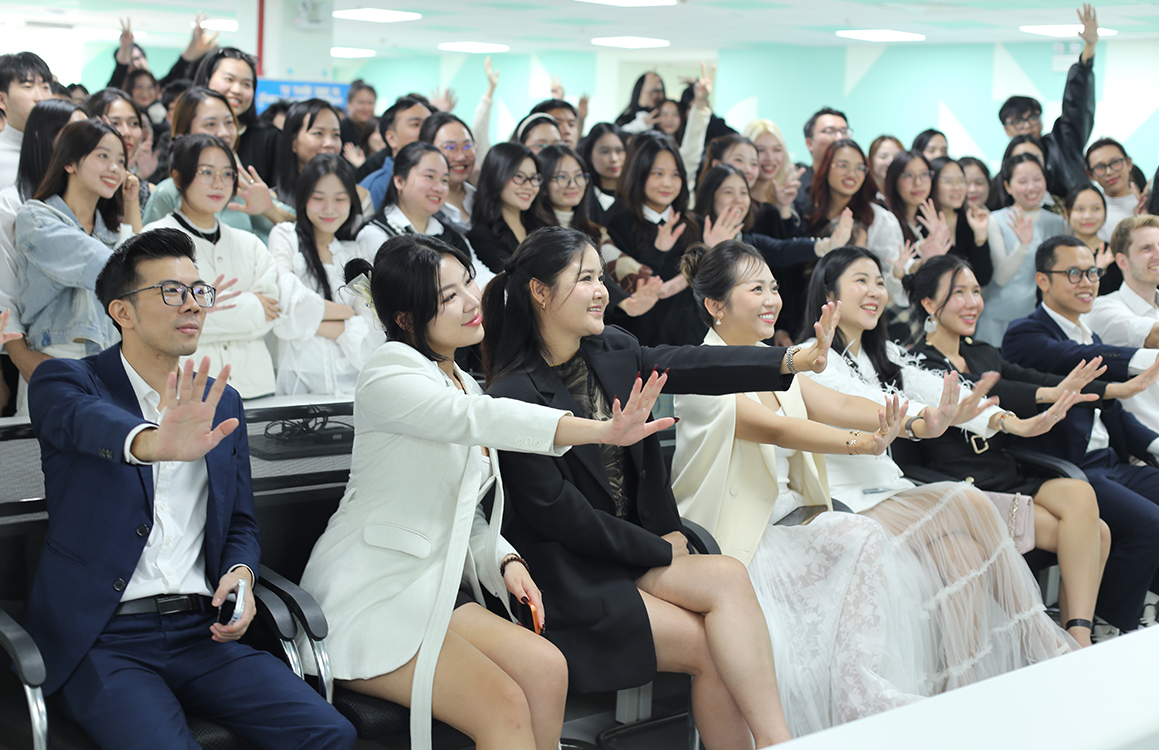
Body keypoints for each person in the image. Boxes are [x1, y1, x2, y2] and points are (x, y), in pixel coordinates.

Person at [299, 232, 674, 750]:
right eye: (448, 296)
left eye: (467, 283)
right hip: (374, 594)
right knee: (503, 708)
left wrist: (504, 559)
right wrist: (601, 430)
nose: (471, 301)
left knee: (546, 668)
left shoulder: (463, 379)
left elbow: (463, 509)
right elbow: (480, 418)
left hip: (437, 587)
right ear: (405, 318)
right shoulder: (388, 373)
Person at [484, 226, 843, 747]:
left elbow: (693, 363)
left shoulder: (613, 347)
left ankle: (777, 742)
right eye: (585, 279)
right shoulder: (512, 393)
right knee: (714, 648)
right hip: (573, 575)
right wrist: (657, 548)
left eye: (600, 277)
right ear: (539, 291)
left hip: (635, 554)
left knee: (727, 579)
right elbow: (560, 515)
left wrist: (790, 359)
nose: (602, 290)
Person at [24, 227, 356, 749]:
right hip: (104, 638)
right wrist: (150, 442)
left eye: (199, 291)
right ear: (122, 312)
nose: (193, 304)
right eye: (171, 292)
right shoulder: (68, 382)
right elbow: (81, 421)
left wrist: (242, 573)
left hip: (202, 633)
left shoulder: (222, 403)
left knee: (330, 733)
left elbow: (240, 521)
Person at [672, 239, 939, 733]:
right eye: (756, 289)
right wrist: (863, 444)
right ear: (716, 305)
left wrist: (918, 421)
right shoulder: (697, 368)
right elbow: (776, 429)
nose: (772, 299)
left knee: (862, 536)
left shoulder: (775, 359)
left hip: (791, 520)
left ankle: (857, 688)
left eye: (774, 287)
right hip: (735, 536)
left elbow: (837, 405)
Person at [798, 246, 1078, 684]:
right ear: (828, 293)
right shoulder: (809, 357)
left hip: (889, 491)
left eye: (879, 282)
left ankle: (963, 684)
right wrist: (925, 419)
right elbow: (863, 403)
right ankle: (1040, 637)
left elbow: (940, 391)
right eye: (861, 281)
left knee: (963, 553)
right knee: (968, 500)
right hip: (845, 501)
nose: (874, 291)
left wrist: (1008, 422)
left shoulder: (882, 355)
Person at [904, 254, 1120, 646]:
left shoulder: (982, 350)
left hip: (1006, 472)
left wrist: (1100, 387)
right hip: (964, 485)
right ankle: (1071, 640)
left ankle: (1076, 633)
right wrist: (1043, 396)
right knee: (1098, 534)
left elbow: (1027, 379)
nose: (972, 302)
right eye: (959, 293)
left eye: (976, 292)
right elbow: (990, 388)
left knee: (1080, 494)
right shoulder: (914, 362)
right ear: (929, 304)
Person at [1001, 235, 1159, 631]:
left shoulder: (1089, 333)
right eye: (1073, 273)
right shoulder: (1025, 334)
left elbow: (1114, 414)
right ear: (1043, 280)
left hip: (1111, 463)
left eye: (1091, 273)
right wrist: (1147, 358)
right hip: (1068, 470)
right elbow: (1079, 359)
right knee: (1149, 523)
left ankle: (1144, 603)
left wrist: (1156, 444)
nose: (1086, 282)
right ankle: (1109, 623)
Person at [142, 134, 278, 398]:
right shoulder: (155, 239)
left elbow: (273, 313)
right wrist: (250, 305)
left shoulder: (249, 243)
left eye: (227, 174)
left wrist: (198, 309)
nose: (218, 183)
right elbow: (156, 318)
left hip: (258, 389)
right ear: (178, 178)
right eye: (206, 172)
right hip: (185, 393)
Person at [15, 120, 137, 368]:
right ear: (69, 163)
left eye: (121, 161)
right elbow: (101, 263)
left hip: (111, 358)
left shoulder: (114, 232)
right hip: (55, 354)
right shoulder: (37, 217)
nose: (115, 168)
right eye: (103, 156)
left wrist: (131, 203)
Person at [693, 163, 850, 343]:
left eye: (744, 192)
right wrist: (712, 251)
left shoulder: (749, 240)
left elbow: (783, 249)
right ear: (710, 196)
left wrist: (827, 246)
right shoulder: (691, 231)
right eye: (728, 192)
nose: (738, 200)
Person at [0, 100, 85, 414]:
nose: (84, 142)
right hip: (37, 351)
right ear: (41, 137)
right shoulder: (11, 203)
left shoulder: (91, 197)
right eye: (73, 133)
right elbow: (4, 292)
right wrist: (21, 355)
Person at [269, 154, 378, 396]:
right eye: (318, 198)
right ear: (304, 197)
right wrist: (347, 313)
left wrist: (311, 319)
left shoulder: (356, 251)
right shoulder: (285, 236)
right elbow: (286, 307)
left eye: (340, 199)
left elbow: (372, 333)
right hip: (296, 382)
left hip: (352, 385)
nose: (329, 209)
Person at [143, 87, 291, 243]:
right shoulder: (168, 192)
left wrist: (270, 209)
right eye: (210, 124)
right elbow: (146, 250)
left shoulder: (243, 187)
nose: (224, 133)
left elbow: (303, 228)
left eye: (229, 122)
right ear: (185, 132)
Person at [533, 144, 661, 319]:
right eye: (561, 177)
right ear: (543, 183)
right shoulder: (535, 234)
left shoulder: (595, 231)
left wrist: (642, 288)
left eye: (579, 176)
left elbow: (616, 262)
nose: (573, 185)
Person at [604, 132, 707, 346]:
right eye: (657, 174)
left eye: (675, 175)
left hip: (694, 341)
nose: (667, 183)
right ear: (639, 174)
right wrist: (657, 252)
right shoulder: (617, 224)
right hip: (643, 344)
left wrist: (714, 248)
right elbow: (626, 289)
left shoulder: (694, 224)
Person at [997, 4, 1098, 199]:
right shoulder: (1007, 167)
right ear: (1007, 129)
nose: (1027, 126)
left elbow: (1077, 107)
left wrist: (1089, 50)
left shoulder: (1062, 144)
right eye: (1018, 121)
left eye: (1033, 118)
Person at [976, 153, 1067, 346]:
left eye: (1037, 179)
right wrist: (1023, 246)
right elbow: (1000, 278)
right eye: (1022, 181)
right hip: (997, 319)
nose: (1031, 187)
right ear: (1008, 186)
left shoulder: (1058, 223)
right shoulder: (995, 220)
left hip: (1041, 320)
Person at [805, 138, 906, 305]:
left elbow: (893, 280)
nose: (851, 174)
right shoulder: (809, 212)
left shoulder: (879, 218)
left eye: (860, 168)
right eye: (843, 165)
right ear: (825, 168)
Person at [194, 47, 280, 185]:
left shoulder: (270, 137)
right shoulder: (189, 132)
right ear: (207, 79)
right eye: (229, 79)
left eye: (246, 84)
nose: (237, 90)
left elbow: (284, 190)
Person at [276, 99, 374, 221]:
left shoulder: (360, 196)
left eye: (335, 135)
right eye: (318, 133)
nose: (330, 143)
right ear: (293, 142)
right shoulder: (272, 200)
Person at [467, 142, 544, 278]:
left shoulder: (542, 225)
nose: (529, 186)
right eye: (519, 176)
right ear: (496, 177)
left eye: (533, 178)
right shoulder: (481, 237)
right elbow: (514, 280)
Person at [106, 13, 218, 91]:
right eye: (131, 60)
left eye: (138, 58)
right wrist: (126, 47)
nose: (136, 63)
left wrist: (194, 42)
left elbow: (180, 67)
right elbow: (121, 68)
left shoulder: (158, 88)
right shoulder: (117, 89)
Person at [929, 156, 993, 285]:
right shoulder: (922, 223)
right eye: (948, 181)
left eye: (961, 181)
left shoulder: (969, 222)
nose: (957, 187)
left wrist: (980, 237)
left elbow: (982, 279)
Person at [85, 88, 151, 212]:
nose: (126, 132)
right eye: (115, 123)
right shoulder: (83, 187)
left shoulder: (147, 195)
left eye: (134, 123)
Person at [358, 95, 432, 207]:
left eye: (429, 125)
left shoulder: (443, 180)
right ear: (392, 138)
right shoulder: (374, 187)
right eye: (416, 124)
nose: (426, 131)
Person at [0, 52, 53, 189]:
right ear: (2, 100)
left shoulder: (61, 148)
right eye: (28, 87)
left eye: (45, 87)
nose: (40, 97)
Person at [418, 111, 478, 232]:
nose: (461, 157)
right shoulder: (421, 204)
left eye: (467, 146)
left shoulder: (480, 198)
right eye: (450, 147)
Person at [792, 106, 850, 216]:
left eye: (844, 132)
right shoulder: (796, 188)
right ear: (809, 143)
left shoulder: (857, 182)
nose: (839, 138)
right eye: (829, 131)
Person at [1085, 138, 1142, 242]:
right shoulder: (1090, 215)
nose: (1109, 172)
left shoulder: (1148, 203)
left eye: (1115, 162)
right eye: (1100, 167)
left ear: (1129, 163)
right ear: (1090, 175)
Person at [1063, 184, 1117, 293]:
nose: (1088, 216)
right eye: (1080, 209)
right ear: (1067, 213)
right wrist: (1098, 270)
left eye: (1096, 208)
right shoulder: (1059, 254)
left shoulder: (1113, 253)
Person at [578, 122, 626, 225]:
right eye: (605, 152)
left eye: (619, 151)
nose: (614, 159)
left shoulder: (636, 194)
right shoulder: (581, 194)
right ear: (589, 155)